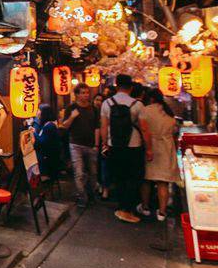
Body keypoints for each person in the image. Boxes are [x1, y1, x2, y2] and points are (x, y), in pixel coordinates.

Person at [100, 74, 148, 223]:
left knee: (119, 177)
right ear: (131, 87)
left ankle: (122, 207)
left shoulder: (107, 103)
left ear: (116, 86)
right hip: (133, 146)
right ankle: (127, 210)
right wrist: (149, 148)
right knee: (133, 178)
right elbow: (145, 129)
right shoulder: (137, 104)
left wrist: (105, 143)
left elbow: (103, 126)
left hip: (114, 145)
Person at [138, 88, 179, 221]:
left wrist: (149, 149)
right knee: (163, 182)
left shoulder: (145, 110)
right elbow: (174, 132)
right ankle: (162, 212)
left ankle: (145, 207)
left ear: (150, 98)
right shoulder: (169, 112)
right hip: (167, 147)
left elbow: (144, 130)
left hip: (151, 145)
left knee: (147, 179)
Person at [60, 84, 99, 207]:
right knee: (79, 172)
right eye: (83, 93)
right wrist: (72, 117)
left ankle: (91, 195)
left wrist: (97, 144)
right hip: (75, 144)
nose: (86, 95)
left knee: (93, 173)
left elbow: (97, 128)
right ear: (76, 94)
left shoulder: (93, 109)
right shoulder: (71, 108)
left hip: (91, 145)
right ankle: (82, 197)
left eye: (87, 92)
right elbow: (65, 125)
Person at [33, 104, 61, 180]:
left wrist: (34, 133)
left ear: (44, 113)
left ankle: (41, 177)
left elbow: (42, 142)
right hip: (48, 157)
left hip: (48, 160)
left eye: (39, 110)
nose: (37, 112)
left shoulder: (50, 126)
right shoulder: (47, 124)